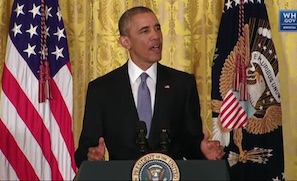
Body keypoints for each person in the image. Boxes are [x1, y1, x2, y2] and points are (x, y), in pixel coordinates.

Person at [74, 6, 224, 168]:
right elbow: (85, 149)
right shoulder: (102, 89)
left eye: (157, 28)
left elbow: (190, 143)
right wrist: (91, 156)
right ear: (126, 42)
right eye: (145, 31)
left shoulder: (182, 84)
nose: (155, 36)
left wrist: (203, 152)